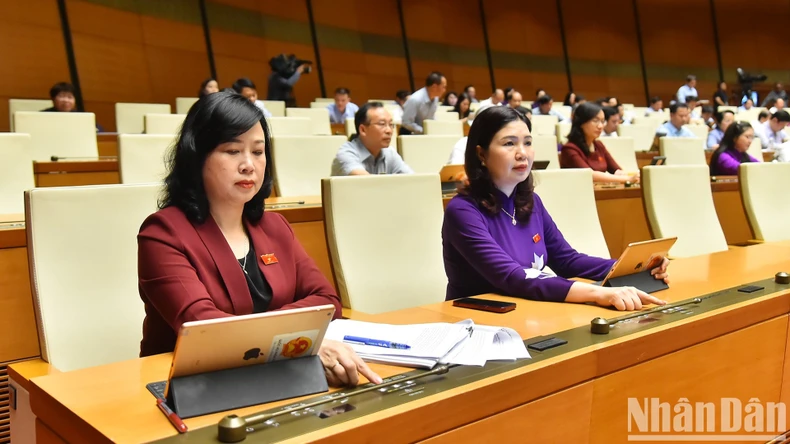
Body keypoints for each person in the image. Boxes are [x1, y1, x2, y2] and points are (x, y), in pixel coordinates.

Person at [137, 92, 381, 386]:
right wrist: (298, 340)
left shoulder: (274, 225)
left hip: (274, 379)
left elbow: (327, 301)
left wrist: (273, 335)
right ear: (197, 156)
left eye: (257, 151)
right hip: (191, 388)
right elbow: (204, 329)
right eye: (232, 151)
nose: (248, 165)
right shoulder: (163, 233)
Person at [442, 106, 668, 310]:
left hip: (528, 312)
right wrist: (598, 293)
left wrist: (637, 265)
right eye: (509, 143)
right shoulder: (463, 211)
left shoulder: (531, 202)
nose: (522, 153)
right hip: (477, 324)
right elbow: (512, 276)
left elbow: (567, 261)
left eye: (528, 142)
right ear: (481, 154)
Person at [560, 103, 638, 183]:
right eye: (595, 121)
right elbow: (590, 175)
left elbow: (616, 170)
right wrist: (627, 179)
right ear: (581, 123)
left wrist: (621, 174)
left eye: (602, 121)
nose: (600, 126)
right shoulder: (569, 149)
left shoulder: (599, 145)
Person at [331, 102, 412, 176]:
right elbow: (370, 185)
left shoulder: (390, 153)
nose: (389, 131)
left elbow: (412, 179)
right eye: (382, 124)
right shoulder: (346, 154)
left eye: (391, 124)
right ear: (363, 130)